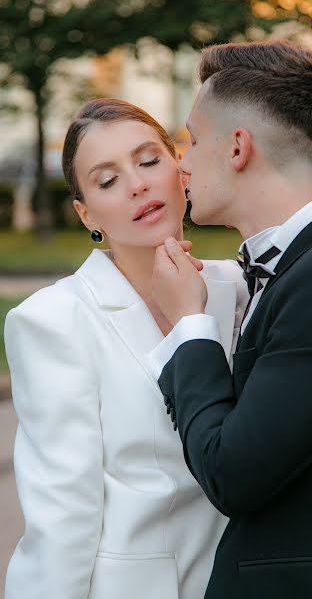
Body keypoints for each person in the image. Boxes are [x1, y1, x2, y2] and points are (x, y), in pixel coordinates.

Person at [150, 41, 312, 599]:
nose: (181, 163)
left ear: (238, 147)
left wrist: (188, 325)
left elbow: (233, 472)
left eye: (192, 139)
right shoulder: (308, 266)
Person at [4, 98, 248, 599]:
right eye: (107, 179)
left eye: (148, 160)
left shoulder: (241, 290)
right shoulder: (54, 321)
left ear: (180, 169)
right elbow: (62, 518)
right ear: (85, 212)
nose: (137, 184)